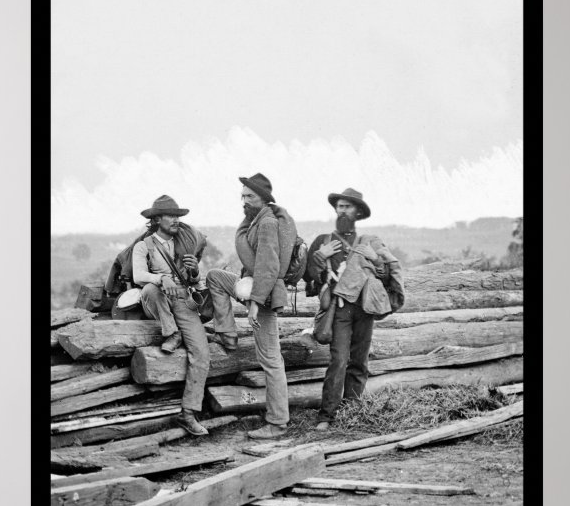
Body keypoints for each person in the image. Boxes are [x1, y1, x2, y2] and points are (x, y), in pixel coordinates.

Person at [206, 173, 297, 440]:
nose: (244, 201)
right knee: (215, 276)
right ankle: (228, 334)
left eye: (250, 197)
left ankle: (278, 422)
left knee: (270, 359)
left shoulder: (267, 223)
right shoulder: (254, 221)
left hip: (265, 294)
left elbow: (269, 267)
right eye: (242, 196)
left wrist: (255, 304)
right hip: (253, 285)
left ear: (264, 199)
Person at [305, 188, 404, 431]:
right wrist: (319, 257)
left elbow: (386, 275)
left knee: (359, 361)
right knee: (338, 360)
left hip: (364, 308)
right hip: (339, 310)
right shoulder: (323, 241)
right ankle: (327, 415)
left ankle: (353, 411)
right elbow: (309, 279)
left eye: (348, 207)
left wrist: (376, 260)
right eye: (340, 206)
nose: (343, 210)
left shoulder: (371, 242)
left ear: (358, 212)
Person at [132, 195, 211, 436]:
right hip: (157, 299)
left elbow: (194, 280)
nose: (176, 220)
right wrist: (160, 278)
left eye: (178, 216)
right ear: (156, 219)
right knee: (150, 288)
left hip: (182, 300)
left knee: (202, 352)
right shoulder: (144, 245)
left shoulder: (183, 244)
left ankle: (188, 413)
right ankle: (171, 332)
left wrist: (195, 271)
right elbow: (138, 276)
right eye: (171, 215)